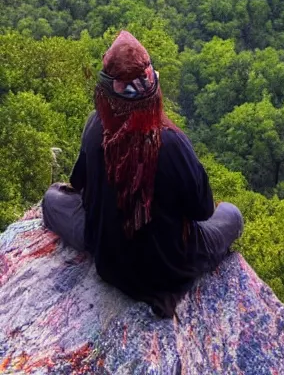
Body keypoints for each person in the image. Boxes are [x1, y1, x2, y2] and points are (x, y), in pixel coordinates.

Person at [42, 31, 243, 316]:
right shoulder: (172, 144)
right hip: (168, 267)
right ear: (154, 90)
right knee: (232, 215)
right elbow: (202, 210)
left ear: (107, 93)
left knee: (53, 199)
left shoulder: (96, 125)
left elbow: (78, 184)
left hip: (109, 261)